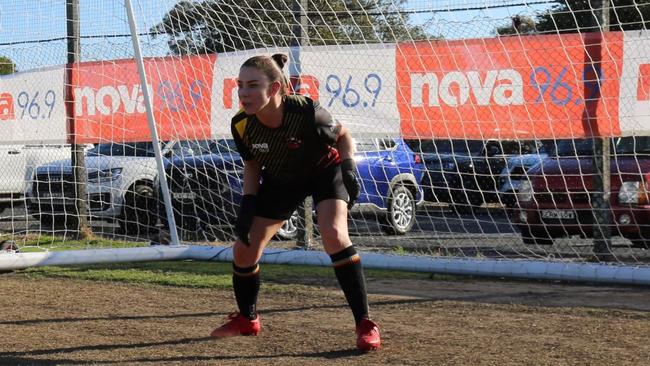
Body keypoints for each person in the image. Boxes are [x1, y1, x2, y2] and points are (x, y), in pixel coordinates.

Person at [209, 53, 381, 352]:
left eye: (252, 85)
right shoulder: (241, 124)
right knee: (244, 248)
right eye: (239, 85)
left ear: (274, 88)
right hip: (282, 180)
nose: (243, 93)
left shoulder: (305, 110)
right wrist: (248, 205)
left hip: (323, 172)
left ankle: (365, 324)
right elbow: (252, 165)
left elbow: (343, 135)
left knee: (334, 235)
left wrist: (349, 166)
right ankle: (248, 319)